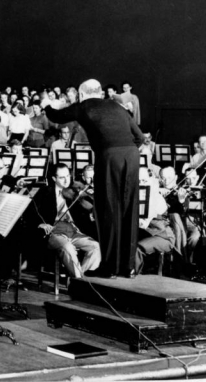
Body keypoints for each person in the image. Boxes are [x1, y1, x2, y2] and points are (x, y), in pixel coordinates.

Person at [41, 78, 144, 278]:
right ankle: (128, 267)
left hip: (110, 156)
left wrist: (47, 105)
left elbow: (57, 116)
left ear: (81, 94)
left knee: (108, 209)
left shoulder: (84, 105)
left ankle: (110, 267)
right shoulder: (116, 105)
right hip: (132, 156)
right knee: (129, 210)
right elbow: (139, 137)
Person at [31, 163, 101, 281]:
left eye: (68, 176)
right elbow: (32, 211)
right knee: (67, 247)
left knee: (95, 247)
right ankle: (79, 282)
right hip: (54, 232)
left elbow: (86, 210)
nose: (66, 180)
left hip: (73, 230)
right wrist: (41, 223)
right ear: (54, 178)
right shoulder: (45, 192)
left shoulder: (74, 192)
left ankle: (78, 281)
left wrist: (90, 210)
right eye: (62, 177)